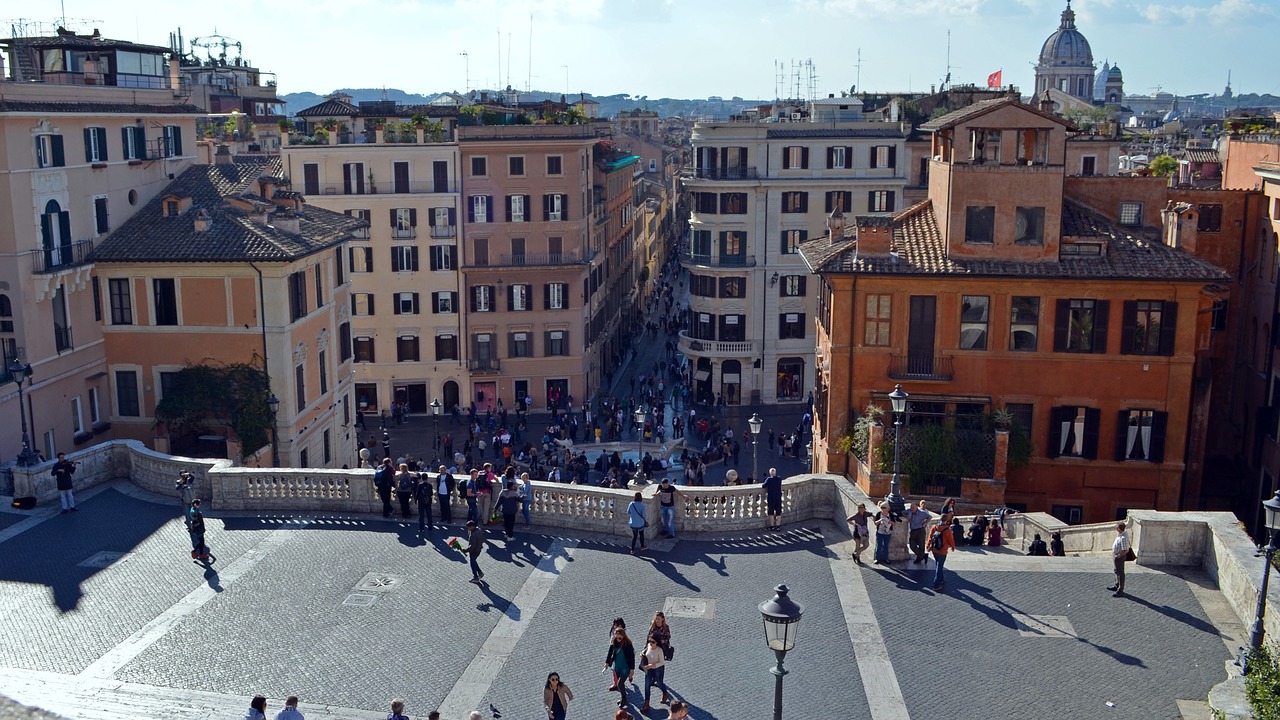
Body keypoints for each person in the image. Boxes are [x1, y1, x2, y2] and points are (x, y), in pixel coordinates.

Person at [605, 625, 636, 709]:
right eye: (617, 637)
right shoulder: (614, 641)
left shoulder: (627, 644)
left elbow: (631, 657)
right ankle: (623, 697)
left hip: (625, 667)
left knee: (620, 683)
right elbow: (610, 652)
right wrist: (607, 662)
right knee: (620, 684)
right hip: (617, 666)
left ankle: (624, 699)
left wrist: (632, 669)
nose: (618, 639)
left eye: (620, 638)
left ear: (623, 636)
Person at [929, 512, 957, 592]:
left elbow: (930, 537)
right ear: (947, 520)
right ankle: (936, 584)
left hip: (934, 549)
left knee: (938, 563)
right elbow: (951, 540)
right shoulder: (947, 530)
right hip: (942, 550)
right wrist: (952, 547)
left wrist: (928, 546)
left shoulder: (934, 527)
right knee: (939, 566)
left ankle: (941, 579)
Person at [639, 635, 668, 713]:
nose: (650, 643)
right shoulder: (648, 646)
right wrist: (642, 654)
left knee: (659, 683)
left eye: (653, 642)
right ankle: (646, 703)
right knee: (647, 684)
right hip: (649, 668)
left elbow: (662, 662)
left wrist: (653, 665)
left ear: (657, 643)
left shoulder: (659, 650)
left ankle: (665, 693)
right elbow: (645, 651)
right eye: (649, 641)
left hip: (658, 669)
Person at [905, 499, 932, 564]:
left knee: (921, 545)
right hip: (913, 531)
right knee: (912, 545)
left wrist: (925, 523)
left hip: (920, 530)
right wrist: (906, 516)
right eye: (911, 507)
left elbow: (929, 517)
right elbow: (903, 512)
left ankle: (919, 558)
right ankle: (924, 555)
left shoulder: (921, 513)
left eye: (913, 507)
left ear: (917, 507)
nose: (911, 509)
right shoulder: (909, 511)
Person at [1108, 522, 1131, 597]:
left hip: (1119, 557)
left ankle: (1120, 590)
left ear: (1119, 528)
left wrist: (1119, 555)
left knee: (1120, 573)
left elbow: (1126, 550)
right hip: (1116, 555)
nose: (1115, 528)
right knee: (1116, 571)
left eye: (1116, 527)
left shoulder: (1123, 537)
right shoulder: (1122, 534)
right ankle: (1116, 585)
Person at [414, 468, 435, 535]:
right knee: (429, 515)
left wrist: (415, 500)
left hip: (421, 501)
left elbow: (417, 493)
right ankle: (430, 527)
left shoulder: (420, 485)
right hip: (428, 501)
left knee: (421, 515)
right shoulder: (430, 485)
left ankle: (421, 528)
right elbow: (431, 493)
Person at [762, 468, 783, 532]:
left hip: (771, 498)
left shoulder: (769, 479)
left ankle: (772, 526)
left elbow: (763, 486)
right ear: (775, 473)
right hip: (778, 497)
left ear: (770, 473)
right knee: (778, 512)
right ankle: (778, 526)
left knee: (771, 512)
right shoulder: (779, 479)